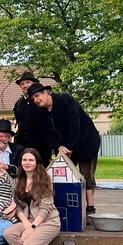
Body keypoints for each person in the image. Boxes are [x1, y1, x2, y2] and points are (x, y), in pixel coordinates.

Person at [28, 83, 101, 214]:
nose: (36, 100)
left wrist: (71, 147)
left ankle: (90, 208)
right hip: (65, 146)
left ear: (46, 92)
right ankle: (66, 206)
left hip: (86, 142)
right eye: (33, 99)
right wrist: (58, 146)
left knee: (86, 175)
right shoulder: (41, 112)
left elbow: (75, 124)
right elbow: (45, 134)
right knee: (63, 174)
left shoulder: (65, 99)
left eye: (37, 96)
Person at [3, 148, 65, 245]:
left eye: (31, 160)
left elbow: (45, 208)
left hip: (48, 221)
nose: (27, 163)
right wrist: (25, 223)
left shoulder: (44, 180)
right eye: (24, 160)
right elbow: (18, 205)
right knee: (9, 233)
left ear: (37, 162)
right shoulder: (18, 181)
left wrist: (32, 227)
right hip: (29, 220)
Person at [13, 71, 52, 166]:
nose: (25, 85)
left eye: (27, 82)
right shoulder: (18, 104)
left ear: (34, 83)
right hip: (22, 146)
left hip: (41, 146)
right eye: (22, 84)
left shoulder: (41, 101)